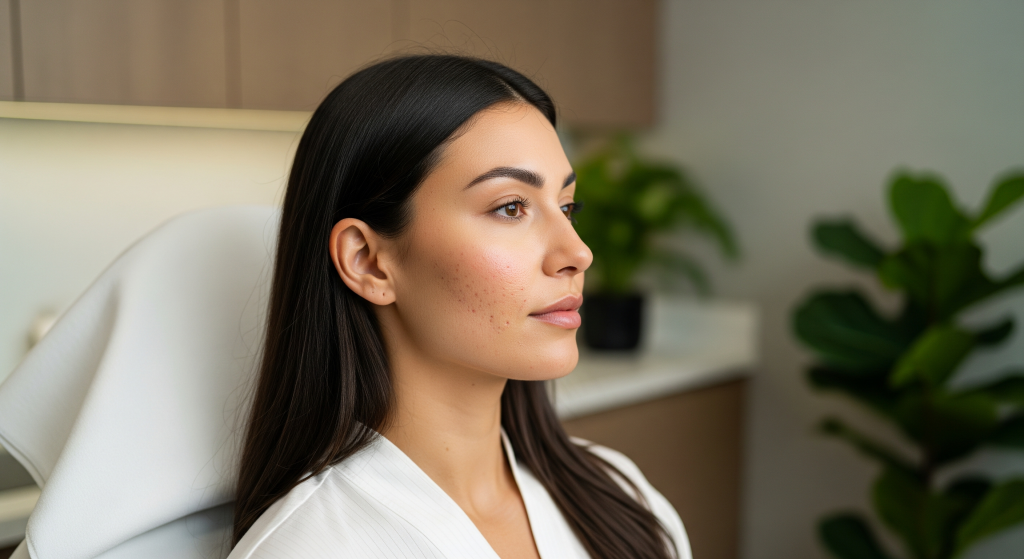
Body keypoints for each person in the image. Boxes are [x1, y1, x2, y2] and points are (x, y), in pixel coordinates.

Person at [229, 54, 692, 559]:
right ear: (368, 262)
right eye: (510, 207)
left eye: (566, 207)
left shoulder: (621, 497)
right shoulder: (310, 548)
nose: (578, 253)